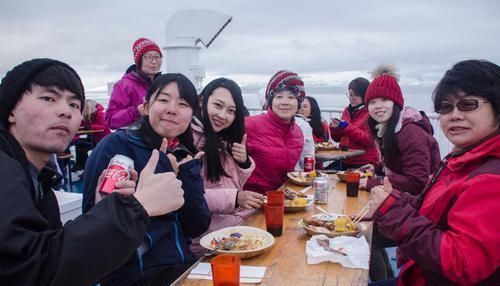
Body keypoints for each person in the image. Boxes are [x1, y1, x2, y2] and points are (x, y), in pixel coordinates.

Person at [0, 59, 185, 286]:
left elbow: (52, 255)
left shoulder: (40, 179)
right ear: (10, 110)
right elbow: (27, 271)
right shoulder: (6, 169)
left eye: (74, 105)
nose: (65, 112)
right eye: (48, 98)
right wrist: (139, 207)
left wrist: (105, 209)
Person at [369, 60, 500, 286]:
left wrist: (391, 209)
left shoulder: (491, 178)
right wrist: (393, 199)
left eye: (468, 104)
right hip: (417, 272)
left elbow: (461, 264)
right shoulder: (463, 159)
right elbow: (432, 208)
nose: (454, 115)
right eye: (446, 108)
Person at [83, 73, 210, 286]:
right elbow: (96, 225)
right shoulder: (118, 147)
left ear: (191, 115)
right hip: (137, 277)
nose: (172, 109)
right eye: (163, 100)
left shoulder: (182, 153)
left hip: (181, 267)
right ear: (146, 105)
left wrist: (187, 174)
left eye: (183, 103)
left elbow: (197, 226)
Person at [362, 65, 441, 281]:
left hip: (421, 209)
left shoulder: (410, 131)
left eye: (384, 100)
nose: (377, 107)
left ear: (396, 102)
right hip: (404, 201)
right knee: (365, 230)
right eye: (372, 102)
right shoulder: (387, 127)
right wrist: (376, 170)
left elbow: (418, 182)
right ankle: (386, 274)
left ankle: (381, 280)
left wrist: (376, 181)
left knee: (362, 235)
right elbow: (399, 168)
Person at [190, 78, 264, 255]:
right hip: (208, 240)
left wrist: (243, 162)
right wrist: (236, 198)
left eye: (231, 111)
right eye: (217, 105)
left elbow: (229, 184)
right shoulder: (190, 141)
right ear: (202, 101)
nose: (223, 115)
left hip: (232, 229)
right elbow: (189, 197)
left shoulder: (221, 139)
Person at [244, 70, 305, 194]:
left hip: (282, 200)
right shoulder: (249, 125)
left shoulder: (298, 132)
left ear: (298, 103)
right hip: (251, 204)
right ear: (270, 101)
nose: (285, 102)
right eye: (279, 96)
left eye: (291, 97)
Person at [105, 37, 163, 129]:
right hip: (136, 139)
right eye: (149, 57)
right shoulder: (124, 86)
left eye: (157, 57)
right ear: (139, 61)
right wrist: (136, 111)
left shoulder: (163, 84)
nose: (154, 62)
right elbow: (110, 120)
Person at [329, 77, 379, 169]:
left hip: (364, 162)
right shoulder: (347, 111)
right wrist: (335, 128)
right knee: (324, 174)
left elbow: (369, 140)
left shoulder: (370, 113)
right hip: (345, 158)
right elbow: (337, 139)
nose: (352, 98)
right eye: (350, 95)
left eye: (355, 95)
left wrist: (346, 127)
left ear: (364, 95)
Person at [71, 99, 111, 173]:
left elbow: (102, 126)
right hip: (94, 138)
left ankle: (83, 165)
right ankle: (82, 165)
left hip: (102, 140)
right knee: (80, 144)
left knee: (82, 145)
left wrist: (88, 126)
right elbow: (82, 124)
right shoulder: (89, 116)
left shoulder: (100, 114)